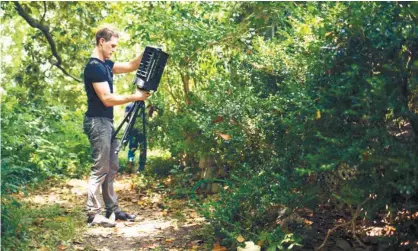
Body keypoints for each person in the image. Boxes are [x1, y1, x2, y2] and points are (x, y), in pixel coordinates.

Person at [83, 25, 150, 227]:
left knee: (112, 167)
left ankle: (112, 209)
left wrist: (148, 52)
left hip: (107, 123)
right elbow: (106, 98)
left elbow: (130, 65)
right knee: (100, 168)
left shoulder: (106, 64)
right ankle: (93, 214)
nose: (114, 49)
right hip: (97, 122)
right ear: (101, 42)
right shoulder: (94, 67)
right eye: (112, 45)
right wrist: (135, 96)